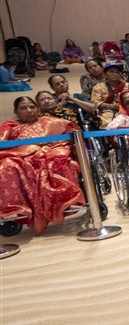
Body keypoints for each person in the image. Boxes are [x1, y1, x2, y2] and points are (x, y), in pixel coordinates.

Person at [0, 96, 84, 233]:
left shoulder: (49, 122)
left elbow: (72, 133)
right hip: (20, 157)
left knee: (60, 161)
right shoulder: (10, 127)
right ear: (16, 112)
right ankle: (14, 209)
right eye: (23, 108)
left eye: (32, 107)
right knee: (7, 166)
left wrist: (55, 143)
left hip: (49, 153)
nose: (29, 110)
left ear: (37, 109)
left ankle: (67, 202)